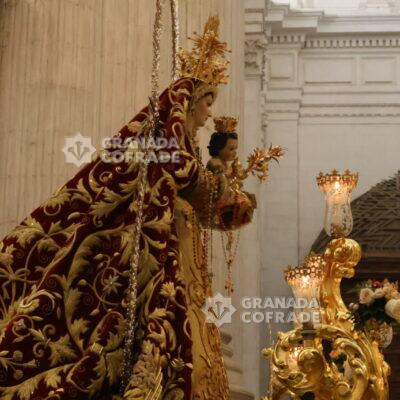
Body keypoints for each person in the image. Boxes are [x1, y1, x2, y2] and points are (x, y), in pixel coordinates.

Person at [0, 17, 256, 400]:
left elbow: (205, 205)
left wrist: (228, 192)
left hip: (186, 263)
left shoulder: (184, 150)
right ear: (188, 104)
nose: (208, 113)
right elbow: (189, 179)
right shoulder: (169, 148)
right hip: (155, 258)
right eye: (206, 103)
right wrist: (221, 186)